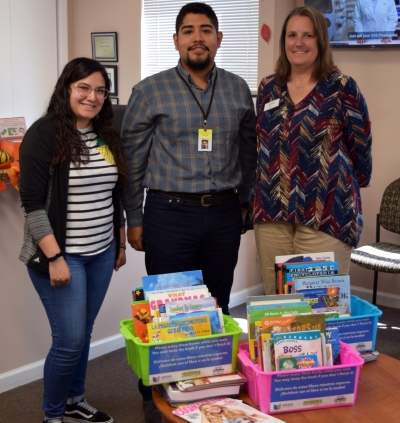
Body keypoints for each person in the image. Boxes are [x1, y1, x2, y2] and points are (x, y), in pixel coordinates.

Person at [121, 2, 256, 421]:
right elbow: (132, 161)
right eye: (188, 30)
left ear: (219, 38)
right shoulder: (150, 90)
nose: (198, 37)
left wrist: (247, 200)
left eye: (206, 30)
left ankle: (209, 391)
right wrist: (134, 217)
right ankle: (156, 398)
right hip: (169, 214)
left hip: (222, 215)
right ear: (176, 39)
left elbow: (248, 150)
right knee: (168, 311)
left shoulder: (237, 89)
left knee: (215, 308)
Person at [19, 57, 127, 423]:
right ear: (67, 88)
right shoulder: (44, 133)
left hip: (102, 252)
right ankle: (52, 415)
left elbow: (115, 194)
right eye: (84, 88)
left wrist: (120, 243)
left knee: (84, 333)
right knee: (69, 342)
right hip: (62, 256)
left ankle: (73, 401)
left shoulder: (107, 133)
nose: (92, 97)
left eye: (100, 90)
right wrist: (54, 257)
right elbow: (32, 205)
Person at [251, 6, 372, 295]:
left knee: (319, 310)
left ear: (321, 42)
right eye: (292, 35)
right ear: (284, 42)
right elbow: (261, 146)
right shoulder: (269, 89)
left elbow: (361, 152)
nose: (299, 42)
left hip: (327, 214)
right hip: (272, 213)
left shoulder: (343, 89)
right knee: (279, 309)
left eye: (308, 35)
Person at [199, 403, 267, 423]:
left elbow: (254, 415)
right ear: (205, 412)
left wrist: (267, 419)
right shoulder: (214, 420)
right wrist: (202, 413)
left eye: (212, 406)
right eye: (207, 408)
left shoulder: (234, 411)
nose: (212, 408)